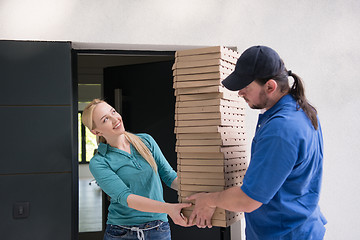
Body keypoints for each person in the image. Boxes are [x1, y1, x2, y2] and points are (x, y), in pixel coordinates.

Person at [187, 46, 327, 239]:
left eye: (245, 87)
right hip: (300, 227)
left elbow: (249, 200)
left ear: (270, 87)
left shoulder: (280, 130)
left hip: (284, 234)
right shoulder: (299, 111)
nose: (240, 93)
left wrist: (209, 200)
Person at [82, 99, 191, 240]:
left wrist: (199, 193)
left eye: (113, 112)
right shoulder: (100, 162)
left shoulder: (146, 141)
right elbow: (127, 198)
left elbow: (169, 176)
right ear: (96, 132)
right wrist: (169, 208)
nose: (115, 119)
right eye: (105, 119)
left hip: (158, 229)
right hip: (121, 233)